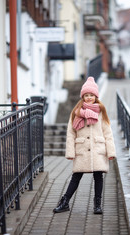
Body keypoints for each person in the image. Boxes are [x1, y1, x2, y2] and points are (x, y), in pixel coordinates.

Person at [53, 76, 116, 214]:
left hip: (98, 150)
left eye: (91, 95)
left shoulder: (101, 111)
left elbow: (108, 133)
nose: (89, 98)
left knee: (98, 177)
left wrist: (111, 152)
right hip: (82, 150)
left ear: (95, 96)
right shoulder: (76, 113)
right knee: (76, 177)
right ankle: (65, 202)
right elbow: (71, 133)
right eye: (86, 95)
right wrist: (70, 152)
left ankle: (97, 205)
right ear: (82, 96)